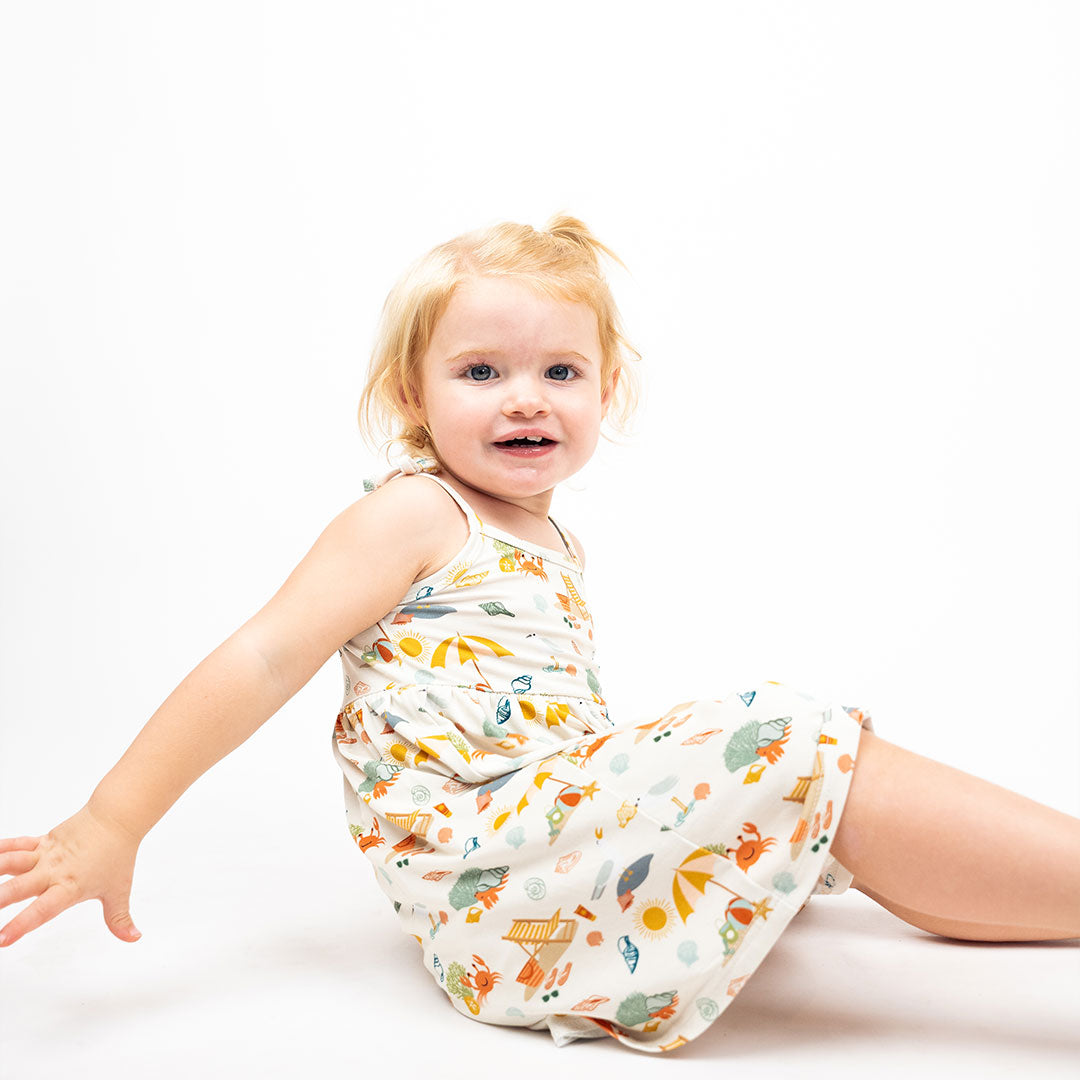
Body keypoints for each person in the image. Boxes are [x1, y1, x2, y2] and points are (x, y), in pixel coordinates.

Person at [1, 214, 1077, 1054]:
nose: (527, 399)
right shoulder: (418, 514)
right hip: (489, 880)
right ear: (410, 396)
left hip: (539, 840)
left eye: (561, 373)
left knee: (819, 785)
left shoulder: (547, 536)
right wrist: (112, 818)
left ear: (608, 390)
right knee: (781, 737)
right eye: (481, 373)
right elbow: (265, 654)